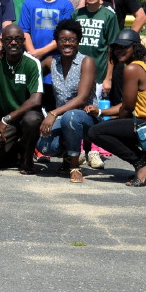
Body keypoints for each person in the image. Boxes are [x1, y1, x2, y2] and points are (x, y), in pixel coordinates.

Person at [86, 30, 146, 186]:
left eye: (124, 47)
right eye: (116, 47)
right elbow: (127, 102)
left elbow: (127, 107)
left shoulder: (132, 69)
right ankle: (143, 160)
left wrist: (115, 123)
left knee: (95, 132)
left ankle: (141, 162)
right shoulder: (142, 65)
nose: (119, 50)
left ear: (135, 48)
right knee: (111, 127)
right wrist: (100, 111)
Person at [0, 24, 44, 174]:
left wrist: (6, 119)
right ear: (2, 41)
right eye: (9, 39)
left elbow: (36, 100)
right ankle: (15, 152)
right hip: (6, 122)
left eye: (18, 39)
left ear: (24, 41)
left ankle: (27, 157)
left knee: (31, 120)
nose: (13, 42)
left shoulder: (32, 62)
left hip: (26, 116)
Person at [35, 19, 98, 182]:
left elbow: (82, 98)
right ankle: (68, 155)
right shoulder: (51, 62)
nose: (67, 44)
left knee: (71, 117)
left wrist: (52, 113)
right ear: (57, 42)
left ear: (79, 41)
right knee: (44, 146)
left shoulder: (87, 61)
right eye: (63, 40)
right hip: (61, 117)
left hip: (85, 117)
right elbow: (31, 69)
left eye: (72, 40)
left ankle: (74, 166)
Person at [73, 0, 120, 169]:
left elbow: (111, 48)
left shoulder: (108, 15)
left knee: (93, 111)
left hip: (99, 72)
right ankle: (79, 149)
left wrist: (108, 77)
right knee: (76, 110)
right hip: (77, 71)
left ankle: (93, 150)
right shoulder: (77, 15)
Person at [20, 0, 75, 110]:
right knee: (32, 104)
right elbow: (24, 30)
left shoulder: (66, 5)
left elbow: (65, 37)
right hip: (32, 61)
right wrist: (32, 54)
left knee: (53, 105)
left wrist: (41, 52)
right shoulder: (29, 3)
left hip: (56, 64)